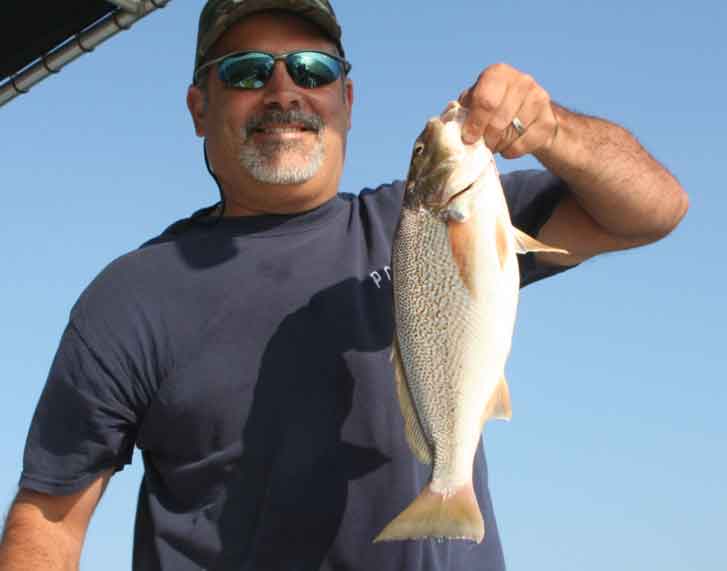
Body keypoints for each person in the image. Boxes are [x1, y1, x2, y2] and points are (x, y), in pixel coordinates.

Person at [0, 0, 688, 569]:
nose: (284, 91)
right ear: (198, 107)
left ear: (347, 100)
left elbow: (656, 209)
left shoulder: (420, 219)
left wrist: (552, 128)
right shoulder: (128, 298)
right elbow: (49, 521)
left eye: (312, 68)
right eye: (245, 72)